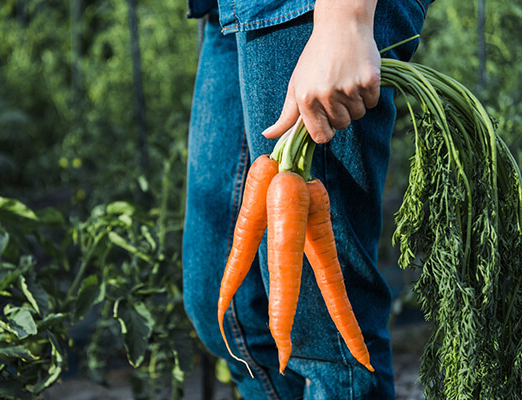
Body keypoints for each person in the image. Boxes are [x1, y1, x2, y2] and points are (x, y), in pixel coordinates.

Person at [182, 0, 430, 398]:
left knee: (330, 347)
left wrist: (345, 18)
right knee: (229, 312)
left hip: (314, 9)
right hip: (231, 9)